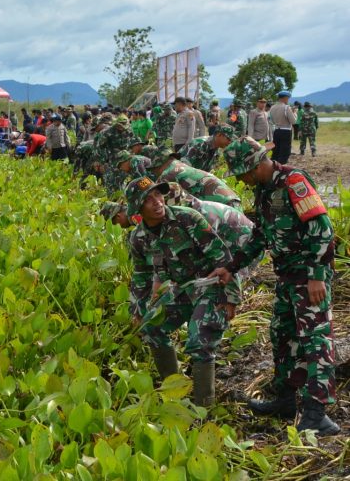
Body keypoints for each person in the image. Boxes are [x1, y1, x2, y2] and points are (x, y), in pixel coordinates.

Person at [209, 137, 339, 435]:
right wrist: (231, 267)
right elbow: (260, 236)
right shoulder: (264, 191)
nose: (240, 180)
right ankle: (285, 399)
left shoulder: (294, 181)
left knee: (316, 340)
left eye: (240, 173)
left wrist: (317, 274)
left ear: (253, 166)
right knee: (282, 334)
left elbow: (322, 229)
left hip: (309, 278)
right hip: (286, 278)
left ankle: (317, 414)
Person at [125, 176, 232, 406]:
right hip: (182, 291)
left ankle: (205, 408)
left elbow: (223, 259)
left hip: (210, 287)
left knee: (199, 338)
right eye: (148, 199)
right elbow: (141, 275)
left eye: (158, 195)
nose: (157, 202)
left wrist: (230, 297)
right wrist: (137, 310)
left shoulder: (187, 218)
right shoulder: (138, 238)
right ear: (137, 209)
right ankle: (175, 394)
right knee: (151, 328)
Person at [149, 148, 242, 209]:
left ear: (157, 166)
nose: (154, 173)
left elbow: (163, 208)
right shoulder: (180, 166)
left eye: (153, 170)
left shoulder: (168, 175)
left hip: (223, 207)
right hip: (232, 202)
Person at [269, 90, 296, 164]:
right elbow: (293, 121)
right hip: (286, 131)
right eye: (287, 98)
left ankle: (273, 166)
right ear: (284, 98)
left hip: (276, 131)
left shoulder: (272, 107)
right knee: (285, 151)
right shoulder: (286, 107)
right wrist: (294, 113)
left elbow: (271, 120)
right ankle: (281, 167)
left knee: (276, 151)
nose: (288, 100)